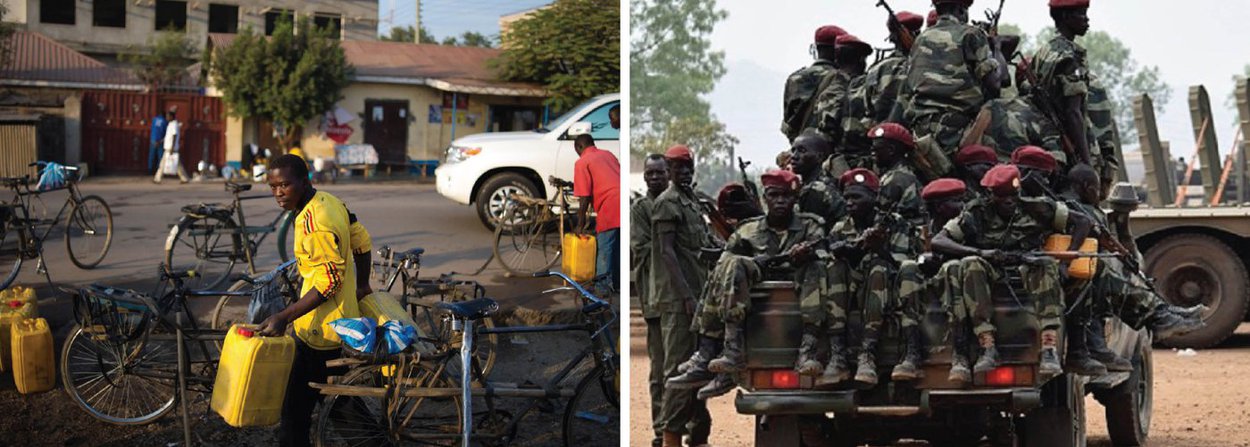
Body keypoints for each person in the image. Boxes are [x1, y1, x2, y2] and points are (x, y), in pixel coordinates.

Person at [667, 169, 825, 400]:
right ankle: (715, 350)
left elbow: (825, 256)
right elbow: (724, 266)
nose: (780, 201)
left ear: (795, 199)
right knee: (726, 266)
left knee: (816, 266)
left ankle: (806, 350)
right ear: (764, 198)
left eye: (786, 196)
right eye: (773, 195)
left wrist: (808, 254)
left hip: (799, 285)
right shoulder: (748, 229)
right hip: (756, 286)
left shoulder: (811, 226)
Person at [931, 164, 1096, 380]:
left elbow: (1083, 221)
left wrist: (1067, 260)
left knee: (1045, 263)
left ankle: (1048, 349)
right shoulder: (976, 212)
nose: (1009, 201)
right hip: (991, 269)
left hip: (1027, 268)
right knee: (971, 263)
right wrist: (981, 252)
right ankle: (987, 346)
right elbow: (939, 240)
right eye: (1002, 197)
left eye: (1013, 195)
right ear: (991, 195)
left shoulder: (1037, 208)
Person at [256, 154, 370, 447]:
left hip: (320, 330)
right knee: (331, 400)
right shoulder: (329, 201)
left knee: (296, 412)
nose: (278, 192)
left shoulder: (314, 222)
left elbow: (329, 282)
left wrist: (284, 316)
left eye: (285, 184)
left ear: (305, 181)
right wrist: (363, 284)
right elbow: (361, 240)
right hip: (335, 324)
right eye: (273, 186)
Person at [807, 168, 921, 386]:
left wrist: (879, 249)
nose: (850, 203)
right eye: (847, 198)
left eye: (856, 197)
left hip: (887, 290)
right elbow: (824, 256)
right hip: (850, 290)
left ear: (874, 197)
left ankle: (867, 354)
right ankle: (837, 354)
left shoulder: (893, 223)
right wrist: (849, 251)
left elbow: (904, 262)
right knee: (835, 267)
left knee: (878, 266)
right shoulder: (841, 227)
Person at [651, 145, 713, 447]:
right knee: (677, 372)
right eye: (678, 168)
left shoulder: (692, 201)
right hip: (679, 302)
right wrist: (687, 297)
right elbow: (667, 253)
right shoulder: (668, 202)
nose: (685, 172)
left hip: (698, 298)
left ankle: (696, 436)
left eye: (688, 166)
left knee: (697, 369)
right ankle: (670, 437)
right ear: (669, 171)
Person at [893, 0, 1007, 161]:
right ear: (961, 9)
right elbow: (995, 86)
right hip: (958, 130)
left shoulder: (920, 39)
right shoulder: (971, 34)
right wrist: (996, 48)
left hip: (921, 131)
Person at [892, 178, 968, 382]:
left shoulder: (966, 228)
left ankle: (960, 353)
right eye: (955, 201)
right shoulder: (917, 232)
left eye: (962, 200)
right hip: (923, 290)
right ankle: (912, 351)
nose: (962, 206)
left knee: (952, 267)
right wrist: (922, 261)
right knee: (908, 268)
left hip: (956, 290)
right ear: (938, 207)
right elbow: (901, 258)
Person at [632, 154, 669, 447]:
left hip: (682, 303)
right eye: (650, 173)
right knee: (659, 372)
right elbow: (643, 248)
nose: (654, 177)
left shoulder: (681, 205)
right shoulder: (641, 209)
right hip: (656, 300)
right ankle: (661, 431)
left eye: (660, 173)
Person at [1033, 0, 1095, 168]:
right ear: (1066, 17)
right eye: (1082, 14)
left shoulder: (1044, 51)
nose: (1087, 20)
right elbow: (1073, 112)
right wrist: (1086, 162)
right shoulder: (1069, 57)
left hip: (1042, 140)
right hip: (1064, 146)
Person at [572, 133, 621, 294]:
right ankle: (616, 283)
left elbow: (584, 197)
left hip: (610, 204)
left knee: (605, 246)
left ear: (579, 147)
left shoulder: (582, 162)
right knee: (617, 245)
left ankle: (602, 287)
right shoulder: (608, 154)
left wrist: (579, 224)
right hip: (622, 199)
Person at [781, 25, 845, 142]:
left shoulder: (795, 78)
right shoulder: (842, 79)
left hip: (800, 150)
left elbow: (787, 124)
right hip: (829, 150)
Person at [867, 123, 924, 225]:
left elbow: (880, 220)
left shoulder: (893, 179)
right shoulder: (909, 172)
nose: (872, 153)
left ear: (891, 150)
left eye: (876, 149)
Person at [788, 130, 846, 229]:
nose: (794, 156)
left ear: (819, 157)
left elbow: (808, 230)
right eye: (793, 150)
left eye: (802, 151)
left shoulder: (816, 189)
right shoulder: (820, 181)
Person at [155, 109, 190, 183]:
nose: (167, 118)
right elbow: (167, 137)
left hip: (171, 148)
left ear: (172, 117)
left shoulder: (174, 124)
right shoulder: (170, 124)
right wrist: (160, 141)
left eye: (168, 116)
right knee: (175, 165)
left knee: (168, 164)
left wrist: (172, 147)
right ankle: (184, 178)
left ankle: (157, 179)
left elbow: (174, 135)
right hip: (168, 148)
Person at [148, 109, 170, 175]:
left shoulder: (154, 119)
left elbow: (153, 129)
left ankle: (150, 170)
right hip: (160, 141)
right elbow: (166, 132)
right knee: (160, 157)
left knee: (151, 156)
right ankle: (159, 171)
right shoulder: (165, 121)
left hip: (153, 140)